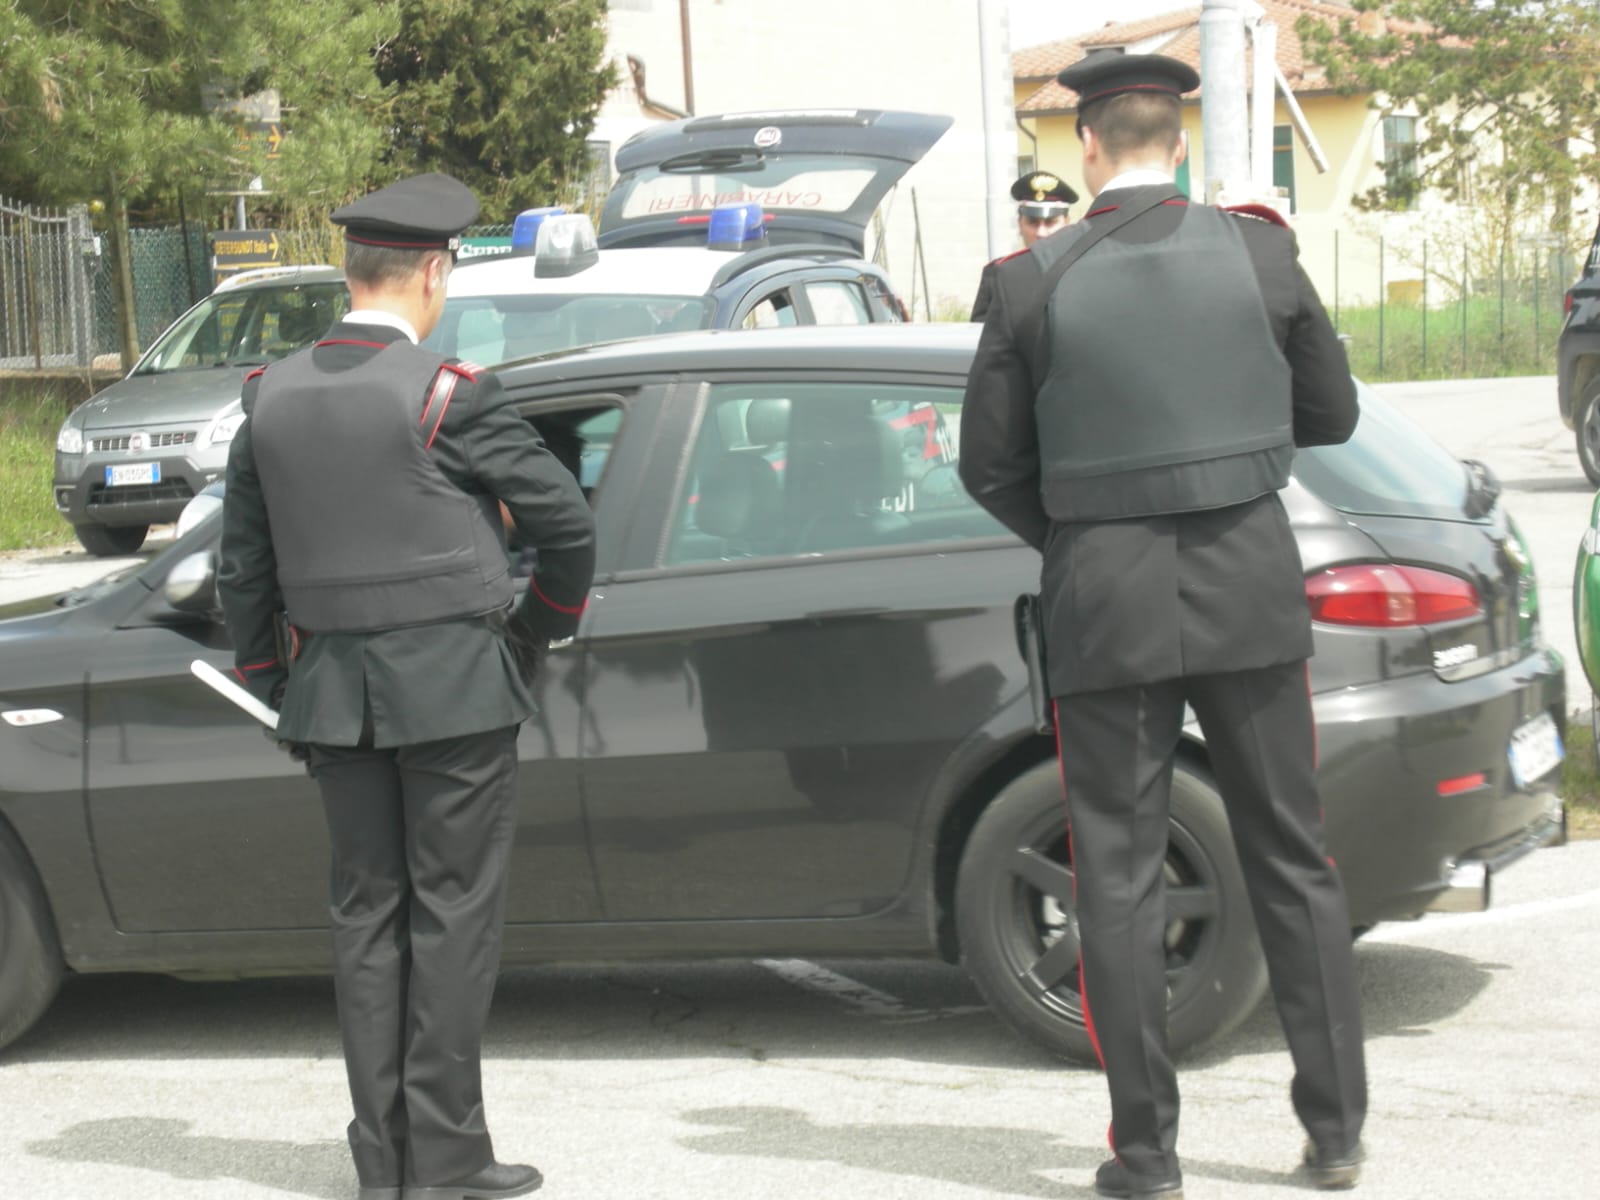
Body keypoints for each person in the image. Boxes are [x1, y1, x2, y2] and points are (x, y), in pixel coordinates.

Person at [958, 54, 1367, 1200]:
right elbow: (1329, 412)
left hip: (1105, 598)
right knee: (1293, 857)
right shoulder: (1259, 250)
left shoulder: (1029, 279)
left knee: (1119, 879)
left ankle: (1147, 1155)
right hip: (1248, 584)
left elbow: (986, 467)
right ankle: (1332, 1135)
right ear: (1178, 143)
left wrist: (1083, 532)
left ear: (1085, 147)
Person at [218, 172, 596, 1200]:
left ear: (353, 273)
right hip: (459, 694)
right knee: (451, 923)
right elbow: (564, 525)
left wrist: (270, 681)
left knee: (367, 922)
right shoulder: (445, 393)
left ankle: (383, 1164)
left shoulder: (269, 395)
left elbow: (242, 572)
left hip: (332, 695)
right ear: (433, 273)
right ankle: (448, 1158)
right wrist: (535, 633)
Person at [969, 170, 1080, 321]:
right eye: (1033, 222)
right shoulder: (998, 273)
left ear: (1067, 223)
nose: (1041, 232)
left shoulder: (1082, 270)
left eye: (1050, 222)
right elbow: (981, 334)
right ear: (1020, 224)